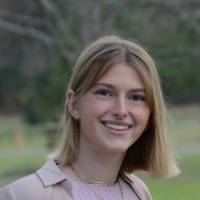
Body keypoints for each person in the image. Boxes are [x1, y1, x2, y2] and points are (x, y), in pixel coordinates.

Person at [0, 35, 180, 200]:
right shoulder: (24, 195)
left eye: (136, 97)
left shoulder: (138, 193)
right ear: (74, 104)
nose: (121, 110)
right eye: (104, 93)